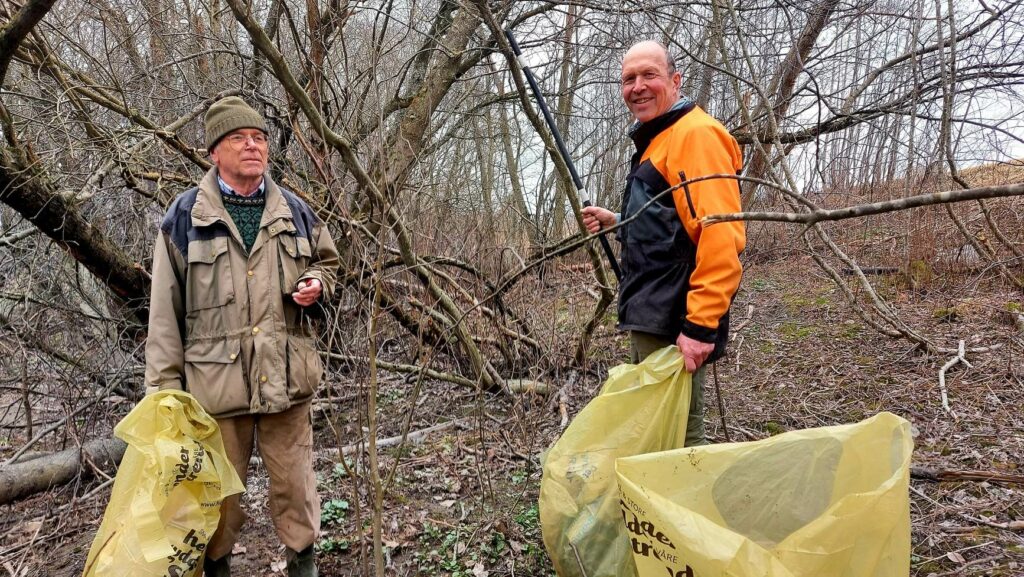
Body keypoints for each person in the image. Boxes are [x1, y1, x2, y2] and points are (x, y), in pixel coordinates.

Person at [144, 96, 340, 577]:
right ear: (215, 151)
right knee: (217, 504)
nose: (252, 146)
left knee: (297, 492)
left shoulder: (293, 209)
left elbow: (329, 263)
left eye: (259, 138)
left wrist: (319, 284)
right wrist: (165, 396)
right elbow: (164, 316)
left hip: (286, 385)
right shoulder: (184, 219)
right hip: (214, 393)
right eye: (239, 138)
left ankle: (304, 566)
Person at [582, 41, 744, 446]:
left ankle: (682, 509)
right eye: (628, 79)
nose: (637, 87)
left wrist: (700, 326)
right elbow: (671, 224)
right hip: (651, 314)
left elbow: (721, 235)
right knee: (653, 433)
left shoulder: (696, 136)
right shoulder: (660, 139)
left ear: (675, 80)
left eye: (648, 75)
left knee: (679, 443)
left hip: (675, 322)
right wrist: (618, 222)